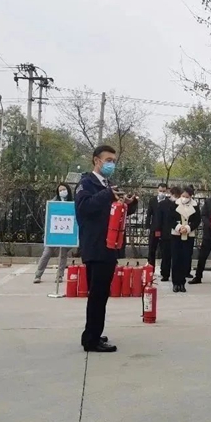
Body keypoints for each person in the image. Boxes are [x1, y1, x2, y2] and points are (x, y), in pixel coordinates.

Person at [76, 145, 137, 353]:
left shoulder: (108, 185)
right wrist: (108, 195)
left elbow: (115, 212)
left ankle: (93, 332)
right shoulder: (86, 183)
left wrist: (130, 204)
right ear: (96, 160)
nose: (111, 164)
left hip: (109, 245)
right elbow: (84, 208)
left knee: (101, 293)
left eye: (113, 161)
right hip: (96, 246)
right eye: (108, 160)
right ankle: (91, 340)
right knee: (98, 294)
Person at [34, 183, 75, 284]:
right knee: (46, 254)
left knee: (62, 255)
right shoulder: (53, 203)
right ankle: (38, 275)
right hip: (53, 234)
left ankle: (59, 276)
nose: (62, 192)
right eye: (60, 190)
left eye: (64, 189)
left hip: (65, 234)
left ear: (68, 190)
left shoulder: (72, 203)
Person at [170, 187, 200, 293]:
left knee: (185, 259)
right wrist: (178, 227)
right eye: (183, 196)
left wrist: (188, 228)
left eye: (187, 197)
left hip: (189, 235)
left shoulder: (195, 206)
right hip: (176, 235)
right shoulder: (174, 205)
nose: (184, 198)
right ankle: (175, 283)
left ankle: (182, 283)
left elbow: (197, 220)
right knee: (176, 259)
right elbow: (170, 219)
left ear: (191, 196)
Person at [156, 186, 181, 281]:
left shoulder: (180, 204)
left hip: (177, 232)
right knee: (165, 255)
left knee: (176, 256)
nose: (176, 198)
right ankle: (165, 274)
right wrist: (158, 232)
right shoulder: (162, 204)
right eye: (175, 195)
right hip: (165, 233)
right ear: (171, 194)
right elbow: (159, 220)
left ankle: (176, 274)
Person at [145, 183, 167, 267]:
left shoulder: (168, 201)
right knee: (152, 249)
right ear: (157, 190)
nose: (162, 193)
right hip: (154, 228)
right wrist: (147, 226)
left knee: (164, 251)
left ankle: (164, 269)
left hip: (164, 229)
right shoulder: (153, 200)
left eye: (163, 191)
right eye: (160, 191)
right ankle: (151, 267)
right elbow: (149, 214)